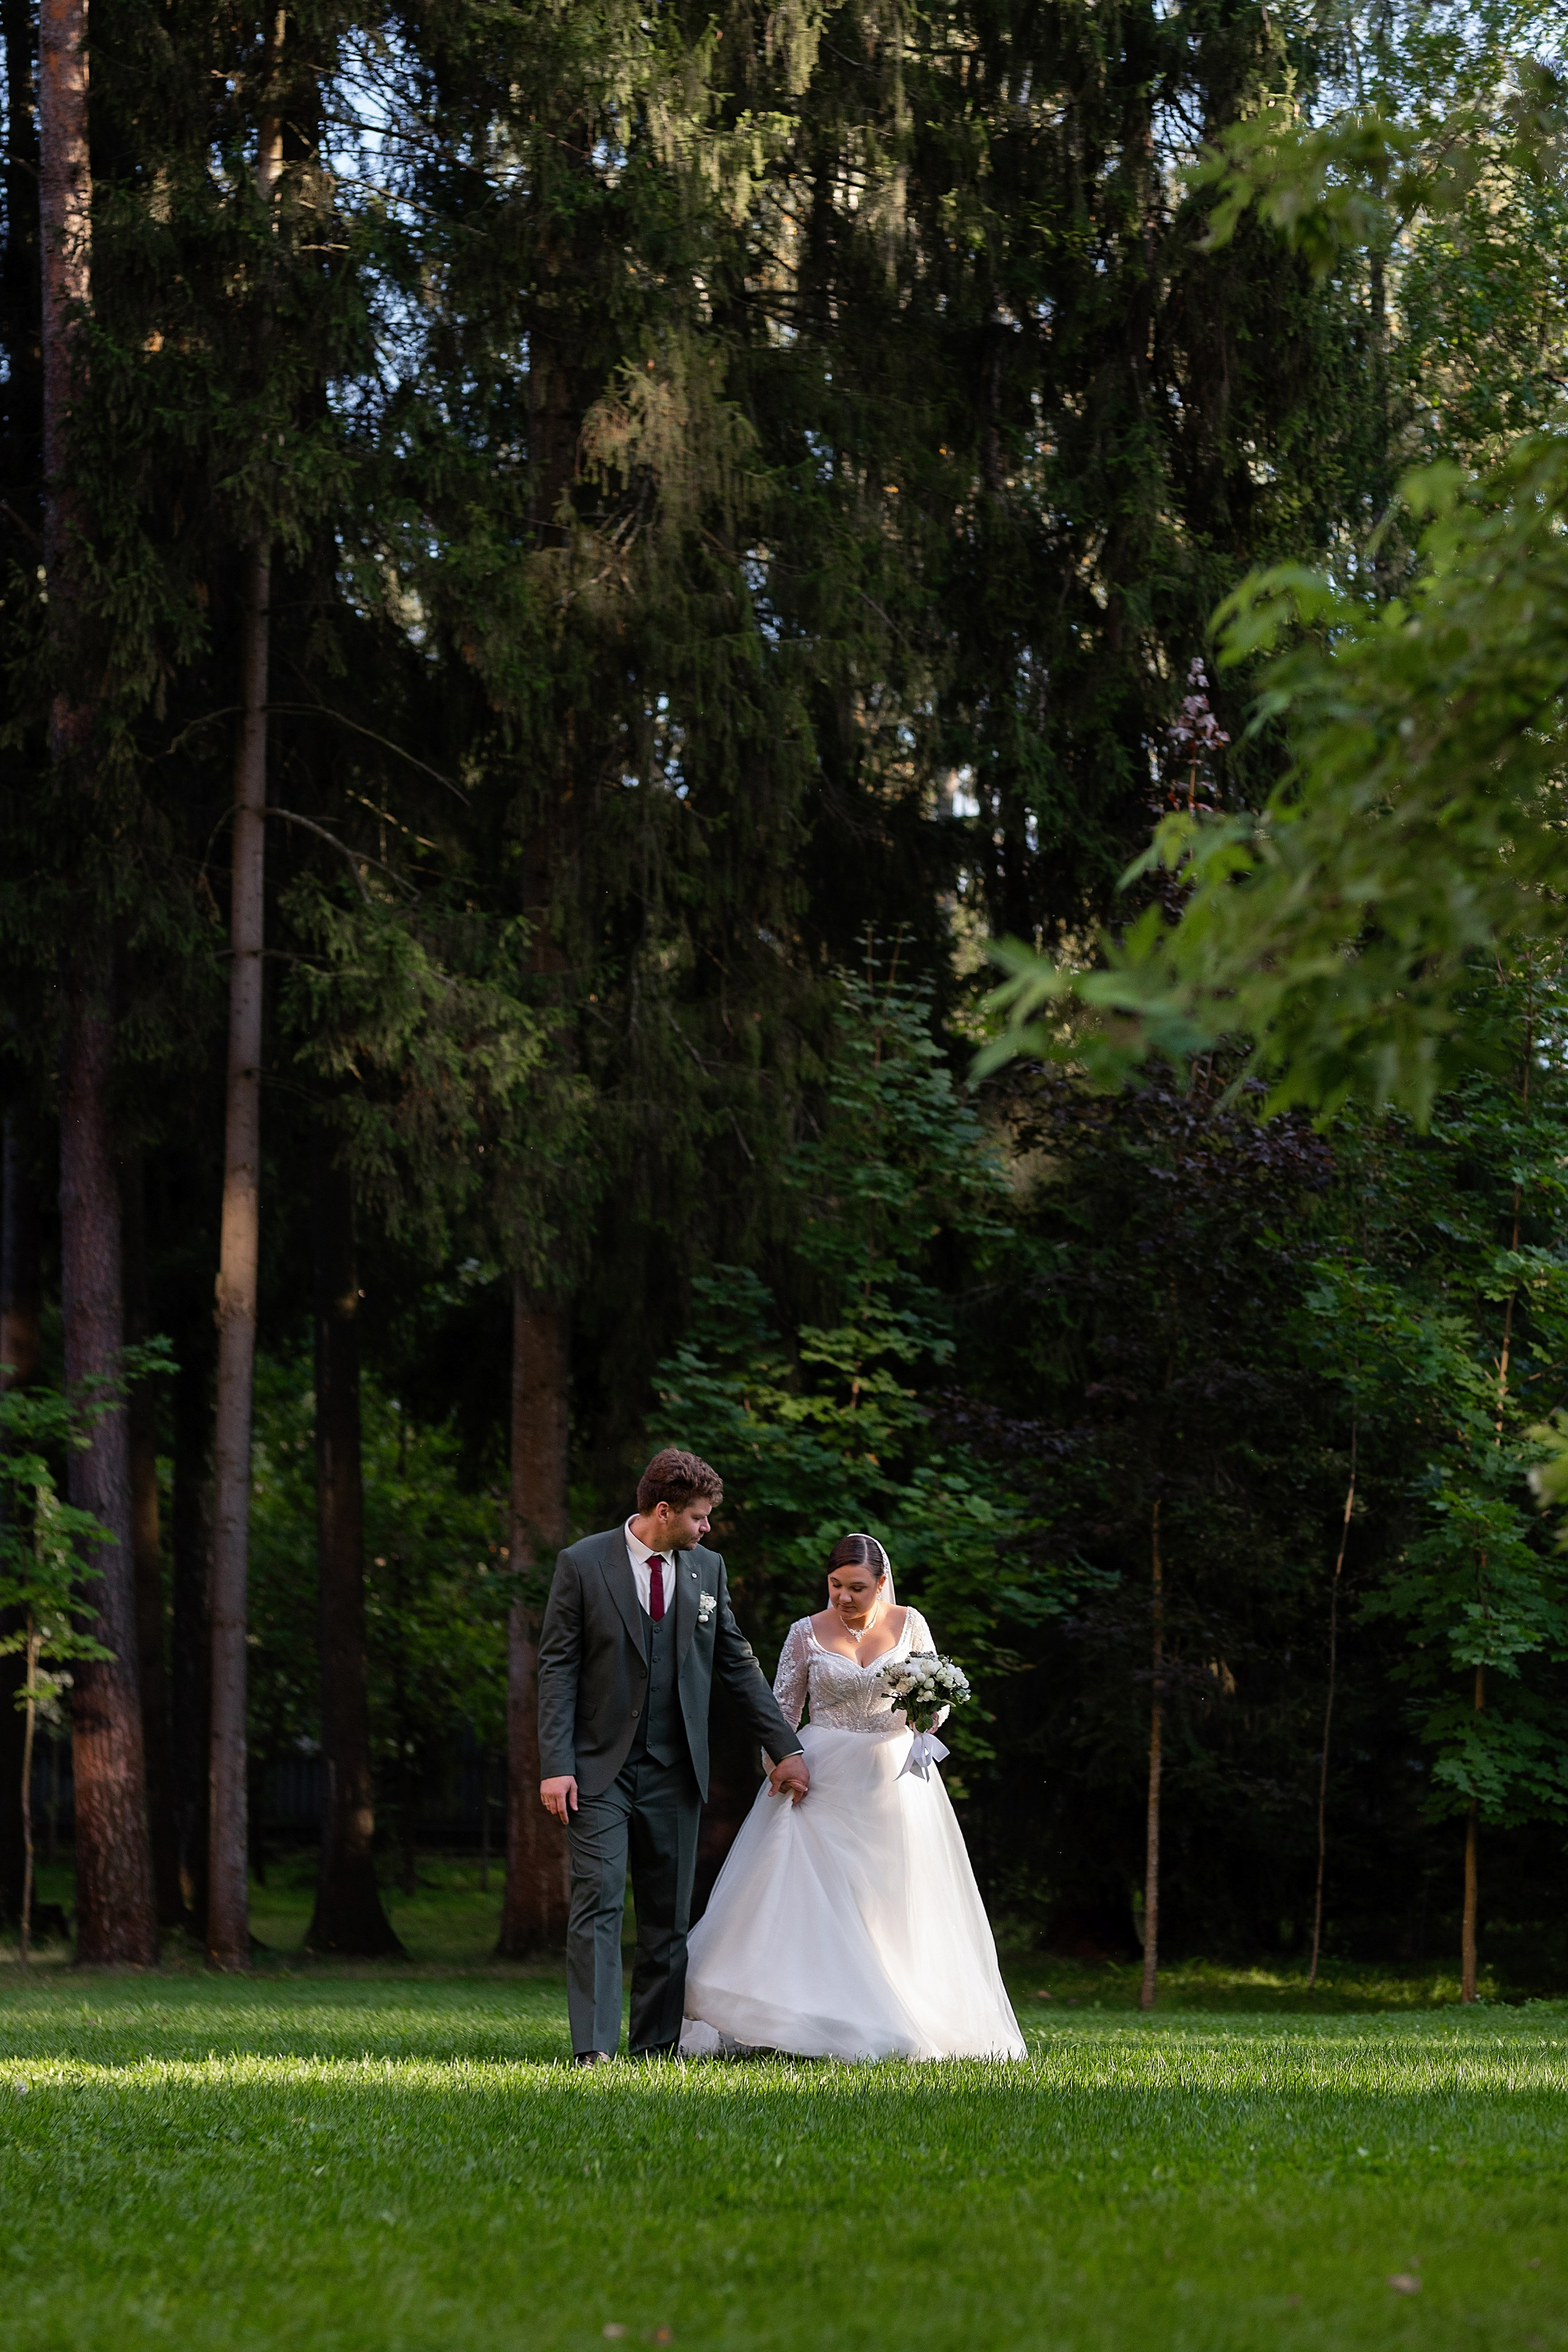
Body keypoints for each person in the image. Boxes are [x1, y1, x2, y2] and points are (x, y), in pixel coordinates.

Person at [680, 1532, 1026, 2062]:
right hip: (820, 1777)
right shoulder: (805, 1633)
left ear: (881, 1584)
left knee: (890, 1900)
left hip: (891, 1780)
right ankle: (795, 2015)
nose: (844, 1596)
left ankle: (894, 2012)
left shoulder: (910, 1624)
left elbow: (937, 1704)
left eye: (857, 1588)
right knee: (808, 1897)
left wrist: (931, 1710)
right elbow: (780, 1712)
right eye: (836, 1585)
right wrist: (781, 1765)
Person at [537, 1447, 810, 2063]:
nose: (707, 1529)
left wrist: (785, 1748)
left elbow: (736, 1663)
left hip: (675, 1768)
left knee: (667, 1914)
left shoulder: (706, 1570)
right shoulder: (582, 1564)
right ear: (663, 1511)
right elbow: (557, 1667)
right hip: (595, 1768)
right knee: (599, 1899)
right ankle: (594, 2050)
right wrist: (555, 1763)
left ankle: (655, 2044)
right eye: (700, 1517)